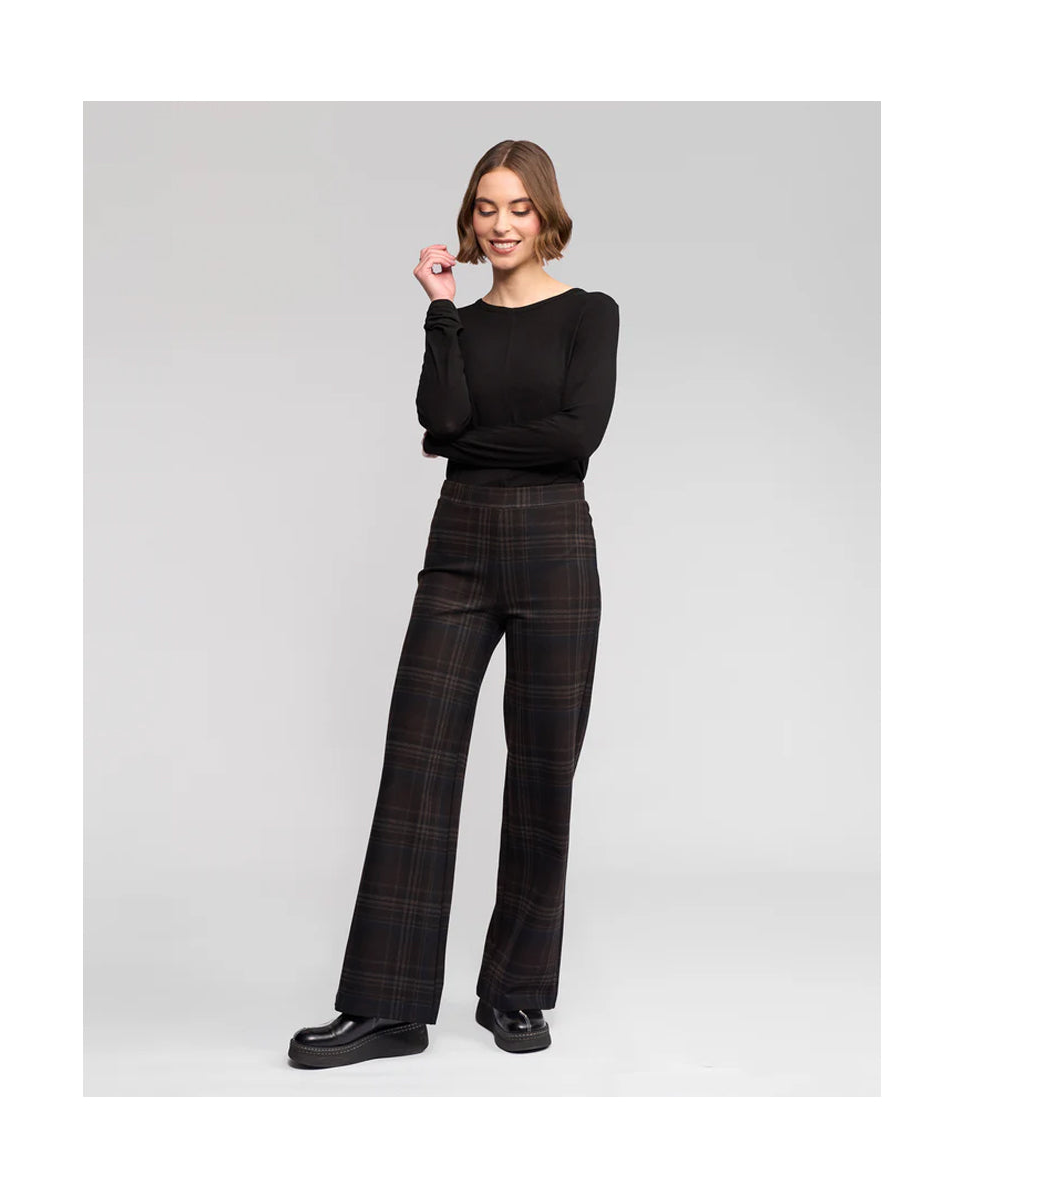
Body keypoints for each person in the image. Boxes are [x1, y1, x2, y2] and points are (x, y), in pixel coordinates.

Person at [289, 139, 619, 1069]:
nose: (502, 224)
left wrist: (470, 446)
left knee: (543, 772)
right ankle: (386, 1008)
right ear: (469, 220)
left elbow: (576, 436)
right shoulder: (460, 325)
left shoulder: (590, 314)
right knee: (418, 759)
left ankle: (516, 992)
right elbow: (439, 421)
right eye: (485, 207)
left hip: (556, 548)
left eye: (518, 206)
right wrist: (439, 309)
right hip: (460, 547)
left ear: (546, 214)